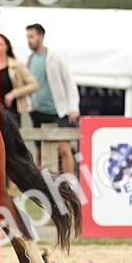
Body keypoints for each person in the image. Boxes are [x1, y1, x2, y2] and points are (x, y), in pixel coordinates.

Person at [24, 23, 80, 176]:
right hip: (37, 111)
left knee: (63, 148)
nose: (29, 40)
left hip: (57, 111)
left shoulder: (55, 57)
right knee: (40, 151)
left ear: (41, 36)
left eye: (32, 36)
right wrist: (30, 103)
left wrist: (73, 108)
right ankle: (43, 184)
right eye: (27, 37)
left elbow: (69, 82)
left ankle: (69, 182)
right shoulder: (28, 59)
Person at [0, 33, 38, 129]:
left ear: (7, 46)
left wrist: (14, 93)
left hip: (12, 112)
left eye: (0, 44)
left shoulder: (17, 65)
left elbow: (34, 85)